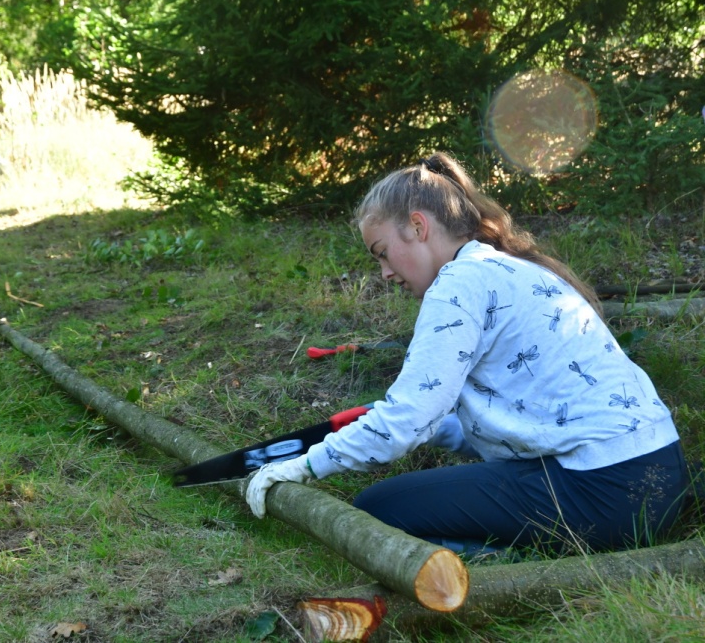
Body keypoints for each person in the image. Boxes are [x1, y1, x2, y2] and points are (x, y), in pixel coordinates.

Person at [246, 152, 688, 555]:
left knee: (378, 506)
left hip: (602, 491)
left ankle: (517, 558)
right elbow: (515, 415)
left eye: (382, 254)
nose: (383, 273)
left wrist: (303, 467)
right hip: (661, 479)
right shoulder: (510, 268)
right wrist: (436, 428)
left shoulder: (458, 285)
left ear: (418, 227)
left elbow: (406, 421)